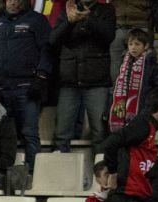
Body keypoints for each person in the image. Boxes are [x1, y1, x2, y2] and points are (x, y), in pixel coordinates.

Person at [0, 0, 52, 172]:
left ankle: (32, 175)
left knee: (29, 133)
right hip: (0, 90)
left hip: (27, 87)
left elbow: (47, 50)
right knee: (3, 136)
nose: (14, 2)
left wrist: (41, 77)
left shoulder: (37, 20)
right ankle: (4, 176)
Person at [49, 0, 114, 152]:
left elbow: (108, 36)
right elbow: (53, 39)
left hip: (97, 80)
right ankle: (60, 165)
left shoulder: (106, 10)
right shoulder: (68, 11)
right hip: (69, 80)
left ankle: (101, 166)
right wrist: (70, 22)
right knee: (61, 133)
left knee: (100, 132)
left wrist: (88, 19)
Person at [108, 28, 158, 133]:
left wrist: (148, 107)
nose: (133, 47)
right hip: (123, 112)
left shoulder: (154, 64)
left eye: (137, 44)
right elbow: (119, 88)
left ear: (146, 46)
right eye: (130, 44)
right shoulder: (124, 63)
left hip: (144, 111)